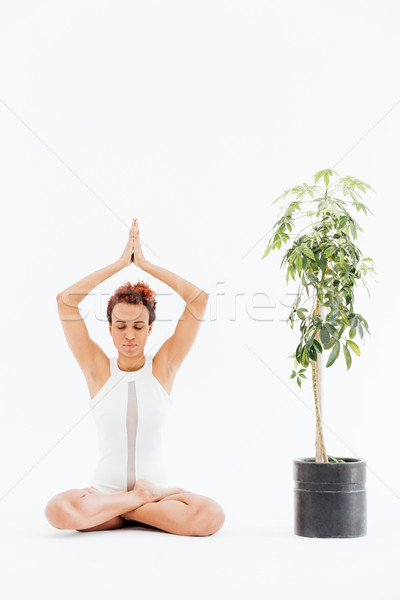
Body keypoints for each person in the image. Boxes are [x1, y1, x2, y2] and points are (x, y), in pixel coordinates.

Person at [44, 218, 225, 536]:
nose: (129, 335)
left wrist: (143, 264)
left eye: (138, 326)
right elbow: (65, 301)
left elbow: (198, 300)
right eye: (121, 326)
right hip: (106, 495)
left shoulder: (163, 366)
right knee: (57, 510)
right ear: (110, 329)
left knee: (211, 516)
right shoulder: (97, 369)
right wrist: (119, 264)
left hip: (151, 499)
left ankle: (129, 512)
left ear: (150, 328)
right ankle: (136, 505)